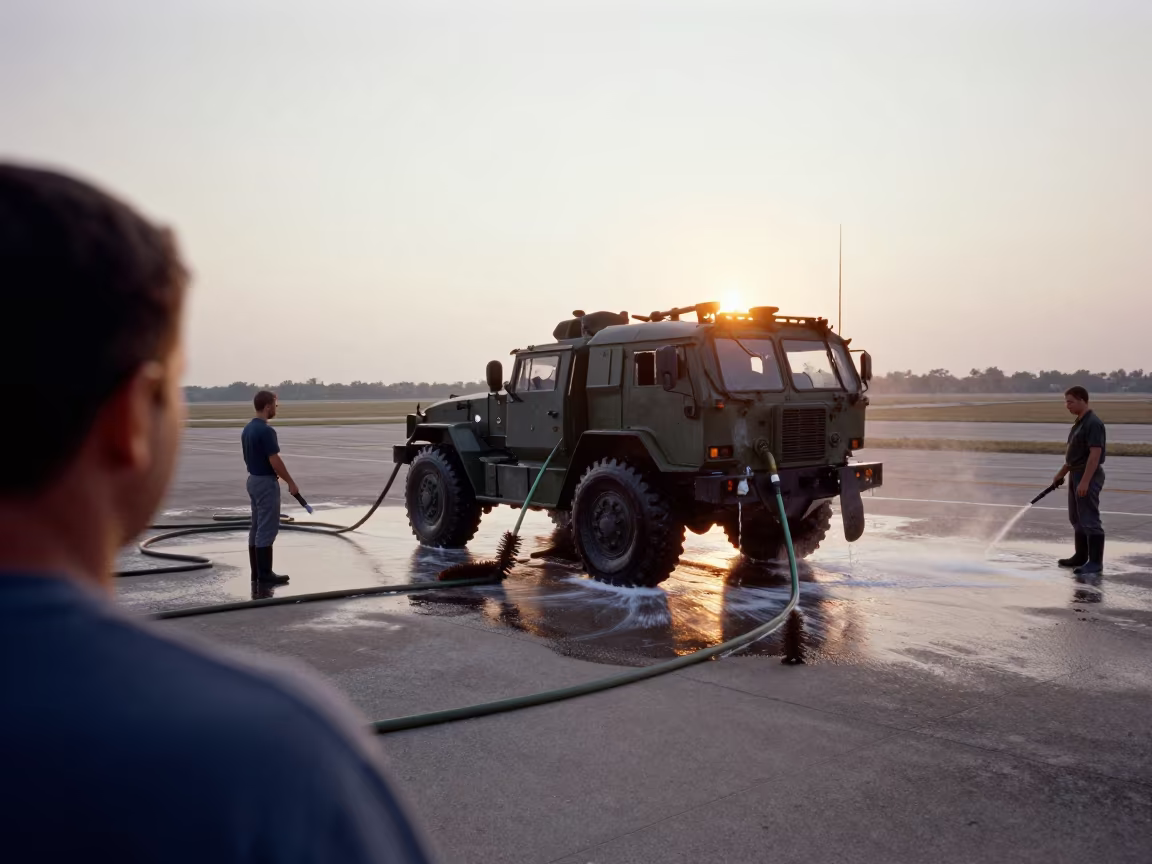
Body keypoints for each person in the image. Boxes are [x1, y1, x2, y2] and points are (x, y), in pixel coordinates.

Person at [0, 164, 432, 863]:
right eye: (173, 387)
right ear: (128, 419)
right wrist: (293, 492)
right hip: (264, 496)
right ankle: (266, 577)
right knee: (264, 534)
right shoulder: (271, 754)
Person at [243, 390, 296, 584]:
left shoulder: (248, 428)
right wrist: (290, 481)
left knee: (256, 526)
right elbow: (274, 460)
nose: (276, 408)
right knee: (267, 528)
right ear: (267, 406)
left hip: (253, 480)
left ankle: (256, 572)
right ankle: (265, 574)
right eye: (275, 404)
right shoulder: (266, 430)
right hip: (265, 482)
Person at [1052, 386, 1106, 575]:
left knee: (1089, 519)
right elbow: (1074, 455)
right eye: (1066, 401)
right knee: (1076, 518)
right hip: (1076, 473)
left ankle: (1095, 563)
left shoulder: (1093, 423)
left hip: (1087, 474)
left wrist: (1085, 481)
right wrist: (1061, 473)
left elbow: (1094, 455)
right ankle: (1081, 556)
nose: (1067, 405)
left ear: (1083, 400)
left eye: (1070, 401)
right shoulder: (1079, 423)